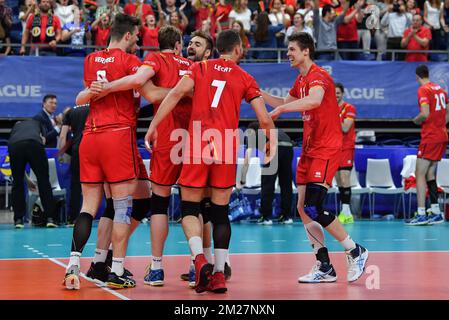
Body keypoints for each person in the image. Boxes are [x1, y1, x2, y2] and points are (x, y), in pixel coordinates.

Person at [145, 29, 276, 293]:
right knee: (219, 213)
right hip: (226, 144)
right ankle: (218, 272)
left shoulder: (200, 68)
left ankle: (199, 259)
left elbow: (172, 96)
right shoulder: (245, 77)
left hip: (196, 142)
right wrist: (270, 143)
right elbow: (263, 117)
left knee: (190, 209)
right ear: (238, 50)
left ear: (218, 49)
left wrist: (153, 126)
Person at [89, 25, 194, 287]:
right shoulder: (193, 67)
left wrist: (106, 87)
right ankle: (200, 265)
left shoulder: (155, 59)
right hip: (194, 139)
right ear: (180, 44)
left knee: (154, 204)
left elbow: (142, 85)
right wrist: (179, 91)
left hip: (164, 137)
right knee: (196, 206)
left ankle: (154, 268)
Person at [262, 32, 368, 283]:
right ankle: (324, 266)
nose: (288, 54)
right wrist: (257, 93)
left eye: (291, 50)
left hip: (327, 148)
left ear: (305, 51)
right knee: (302, 208)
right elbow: (283, 101)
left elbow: (314, 100)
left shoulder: (319, 76)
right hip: (309, 149)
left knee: (313, 206)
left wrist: (282, 109)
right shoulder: (300, 80)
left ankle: (355, 249)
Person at [63, 13, 142, 290]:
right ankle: (116, 270)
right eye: (137, 36)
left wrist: (93, 92)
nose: (138, 40)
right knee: (122, 207)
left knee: (88, 207)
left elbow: (82, 97)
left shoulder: (91, 59)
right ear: (129, 35)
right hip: (117, 135)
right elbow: (144, 85)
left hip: (91, 137)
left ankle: (73, 266)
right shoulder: (131, 61)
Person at [406, 64, 448, 226]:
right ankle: (436, 212)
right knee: (430, 173)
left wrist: (415, 120)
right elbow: (448, 110)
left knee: (419, 174)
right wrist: (441, 125)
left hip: (430, 136)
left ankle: (422, 213)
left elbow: (425, 113)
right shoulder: (441, 90)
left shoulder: (423, 90)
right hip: (442, 136)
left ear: (417, 76)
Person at [240, 122, 294, 225]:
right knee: (286, 184)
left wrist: (242, 178)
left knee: (267, 184)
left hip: (273, 147)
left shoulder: (252, 134)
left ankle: (266, 217)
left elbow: (246, 160)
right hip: (288, 147)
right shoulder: (272, 129)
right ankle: (286, 217)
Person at [8, 119, 58, 228]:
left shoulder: (16, 128)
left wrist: (26, 178)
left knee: (17, 182)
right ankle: (50, 218)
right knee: (43, 181)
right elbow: (43, 140)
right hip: (34, 143)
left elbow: (15, 142)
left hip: (15, 145)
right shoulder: (38, 123)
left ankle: (18, 220)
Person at [59, 105, 89, 226]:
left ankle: (73, 218)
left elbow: (62, 136)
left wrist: (61, 155)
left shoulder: (71, 112)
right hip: (94, 147)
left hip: (77, 150)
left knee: (75, 184)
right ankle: (105, 215)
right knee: (99, 184)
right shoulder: (96, 108)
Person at [335, 82, 356, 224]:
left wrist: (332, 116)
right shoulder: (330, 109)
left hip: (346, 147)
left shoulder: (349, 108)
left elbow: (345, 127)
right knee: (338, 181)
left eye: (338, 93)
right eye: (334, 93)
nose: (336, 95)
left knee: (344, 178)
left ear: (342, 94)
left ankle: (347, 212)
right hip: (333, 148)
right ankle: (344, 211)